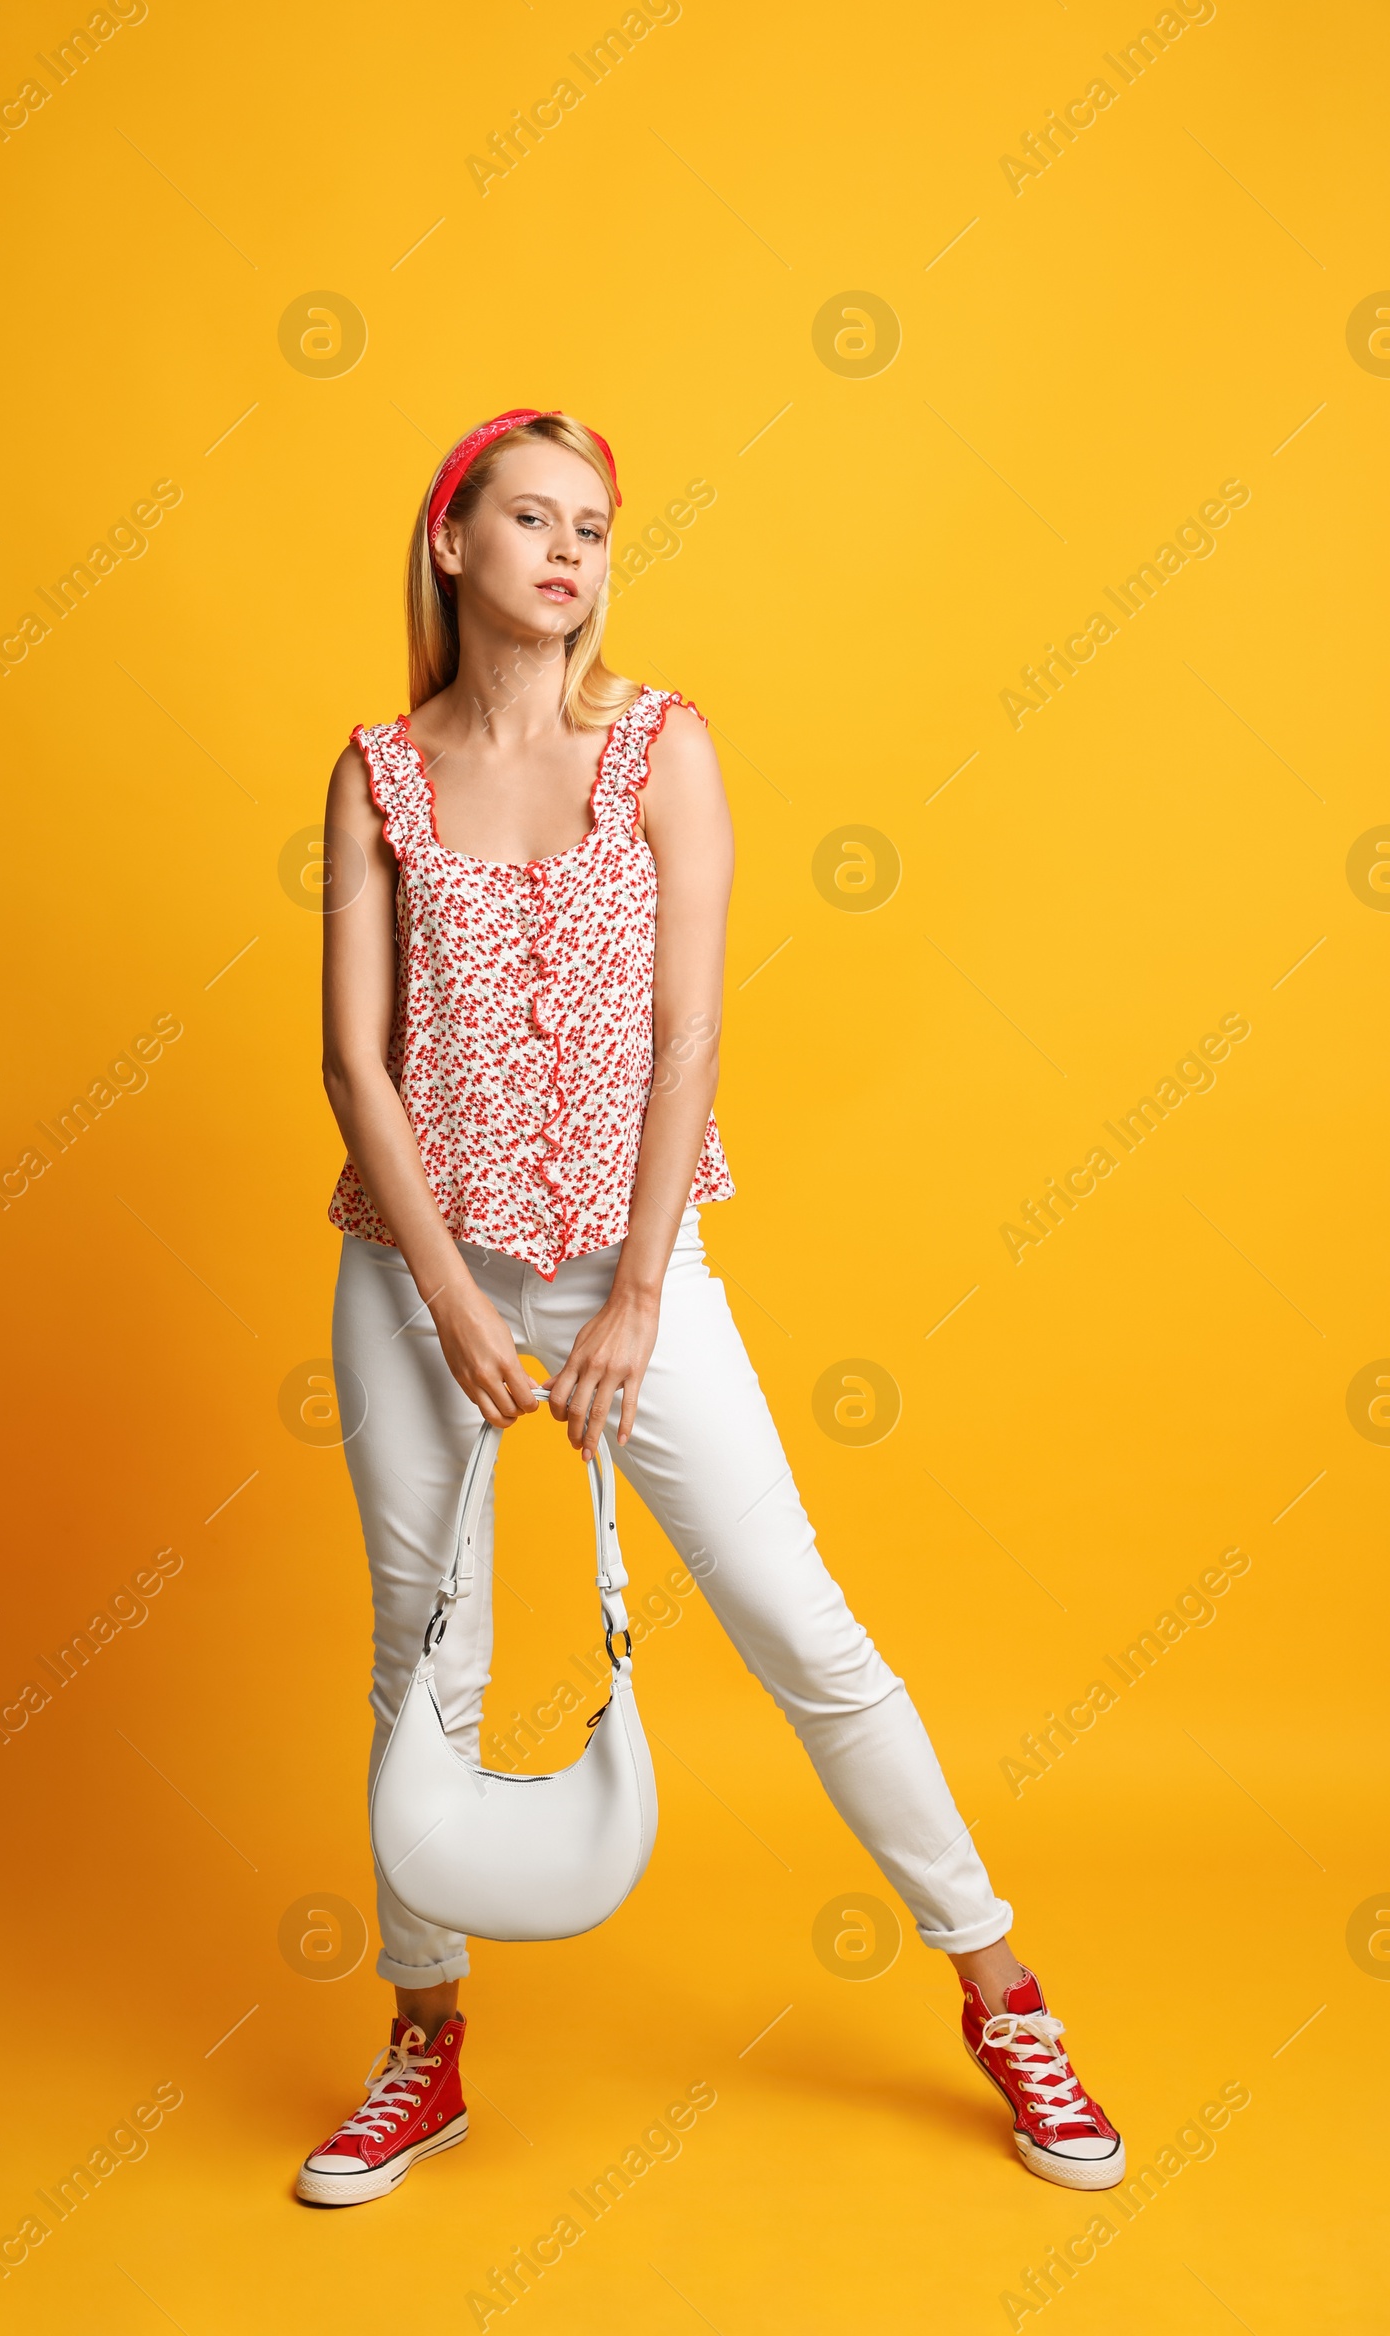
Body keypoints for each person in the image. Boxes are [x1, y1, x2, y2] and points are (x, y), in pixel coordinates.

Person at [298, 409, 1124, 2208]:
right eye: (533, 518)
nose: (571, 552)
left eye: (594, 525)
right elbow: (357, 1064)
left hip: (624, 1270)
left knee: (804, 1631)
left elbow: (688, 1035)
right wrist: (448, 1298)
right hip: (415, 1270)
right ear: (452, 543)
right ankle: (421, 2047)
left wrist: (633, 1301)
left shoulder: (663, 748)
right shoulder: (376, 770)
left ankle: (1007, 1996)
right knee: (416, 1668)